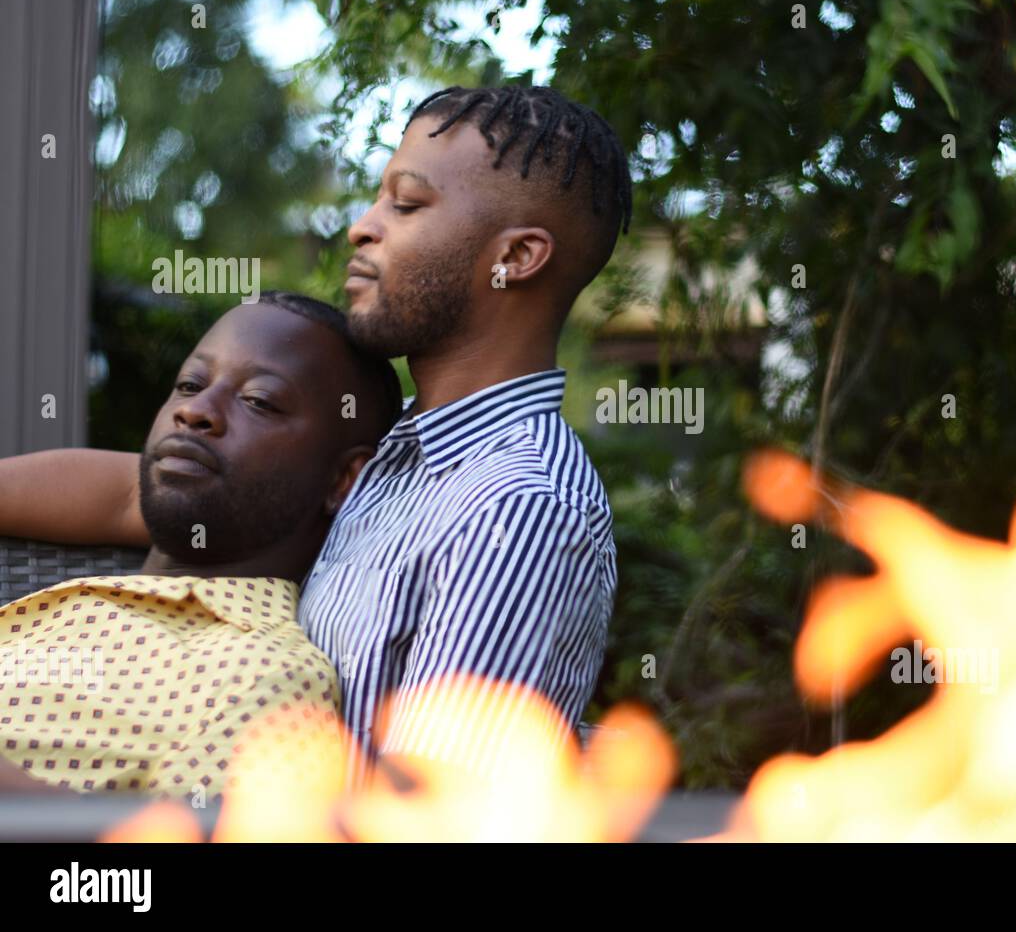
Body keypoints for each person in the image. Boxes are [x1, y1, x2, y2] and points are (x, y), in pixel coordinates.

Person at [0, 85, 631, 784]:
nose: (362, 227)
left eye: (407, 204)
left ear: (515, 258)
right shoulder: (402, 454)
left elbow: (430, 821)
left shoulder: (518, 509)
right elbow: (135, 494)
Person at [0, 293, 401, 796]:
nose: (194, 410)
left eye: (258, 401)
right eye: (189, 384)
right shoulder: (76, 605)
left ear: (344, 481)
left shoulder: (266, 681)